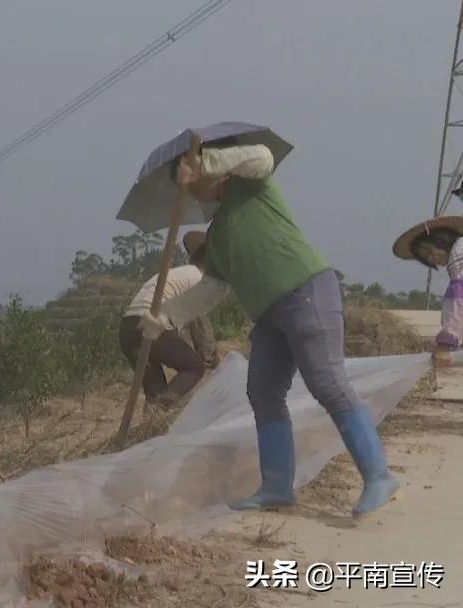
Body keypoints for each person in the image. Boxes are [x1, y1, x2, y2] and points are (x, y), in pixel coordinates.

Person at [139, 137, 400, 520]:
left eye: (190, 176)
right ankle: (277, 487)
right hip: (269, 316)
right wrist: (163, 316)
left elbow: (261, 156)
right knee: (262, 391)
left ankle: (379, 476)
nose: (190, 185)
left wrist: (209, 159)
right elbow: (211, 288)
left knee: (325, 380)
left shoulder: (251, 185)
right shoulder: (216, 237)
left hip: (306, 290)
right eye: (185, 181)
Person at [118, 231, 226, 409]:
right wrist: (213, 360)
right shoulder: (198, 280)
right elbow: (202, 332)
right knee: (194, 367)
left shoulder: (179, 274)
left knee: (155, 391)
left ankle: (151, 428)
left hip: (129, 329)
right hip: (150, 324)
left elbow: (175, 334)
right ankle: (162, 407)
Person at [391, 215, 463, 369]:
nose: (433, 260)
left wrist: (445, 345)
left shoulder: (459, 252)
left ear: (440, 240)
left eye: (430, 251)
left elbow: (458, 299)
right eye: (427, 258)